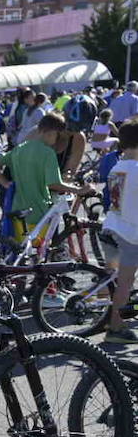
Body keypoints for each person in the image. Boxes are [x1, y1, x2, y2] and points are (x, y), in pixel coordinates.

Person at [0, 112, 86, 233]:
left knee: (19, 242)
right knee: (45, 245)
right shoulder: (48, 153)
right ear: (51, 133)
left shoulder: (20, 148)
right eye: (57, 135)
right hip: (39, 209)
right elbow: (54, 184)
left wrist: (5, 183)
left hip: (17, 204)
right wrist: (79, 190)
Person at [98, 119, 138, 344]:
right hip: (130, 234)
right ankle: (116, 326)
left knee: (116, 280)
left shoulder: (118, 166)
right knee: (125, 282)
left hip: (113, 226)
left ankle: (113, 314)